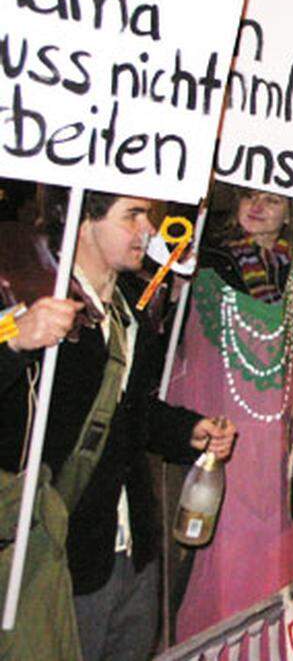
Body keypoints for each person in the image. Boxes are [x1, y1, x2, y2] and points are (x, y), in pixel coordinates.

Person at [0, 190, 236, 661]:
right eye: (133, 215)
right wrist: (13, 341)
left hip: (133, 546)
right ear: (85, 222)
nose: (148, 229)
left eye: (147, 214)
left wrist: (187, 432)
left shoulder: (130, 304)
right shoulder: (27, 293)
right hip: (58, 552)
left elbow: (131, 413)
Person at [167, 186, 293, 639]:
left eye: (272, 201)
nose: (257, 207)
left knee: (272, 538)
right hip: (222, 429)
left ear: (289, 214)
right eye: (250, 197)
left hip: (275, 432)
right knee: (226, 542)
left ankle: (269, 637)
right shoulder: (209, 259)